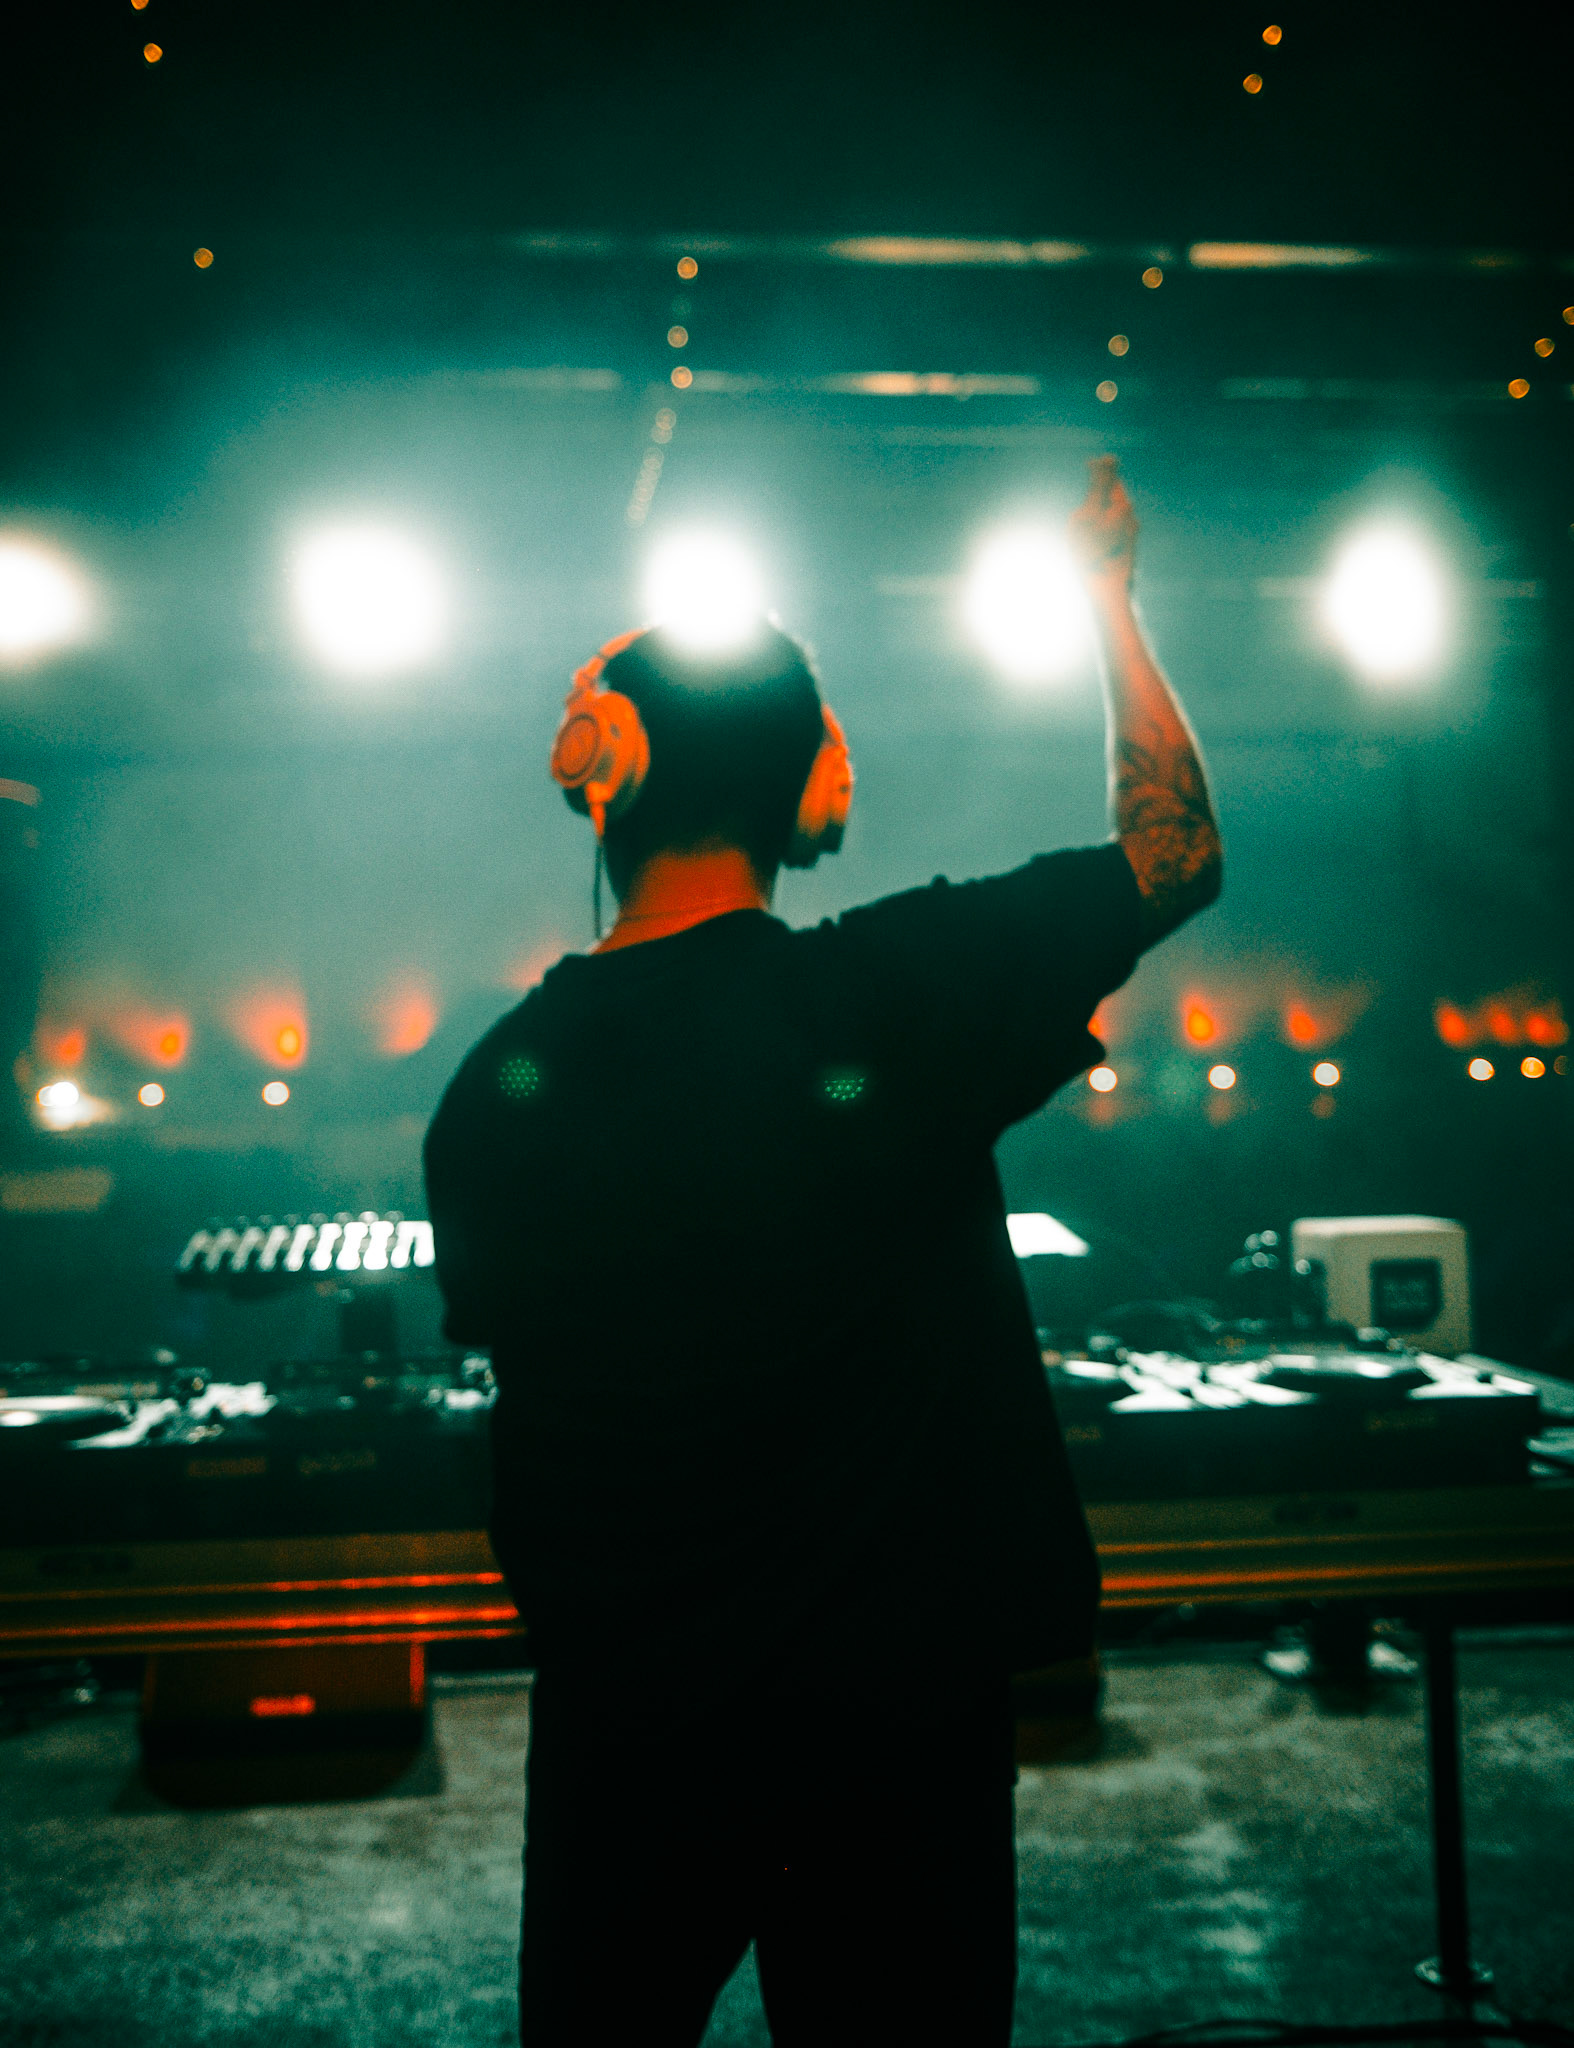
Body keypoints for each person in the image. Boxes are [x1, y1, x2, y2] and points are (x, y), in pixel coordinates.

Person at [424, 456, 1222, 2046]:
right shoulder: (894, 994)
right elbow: (1173, 847)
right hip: (898, 1723)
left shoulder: (493, 1093)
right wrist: (1105, 595)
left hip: (631, 1731)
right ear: (813, 792)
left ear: (597, 765)